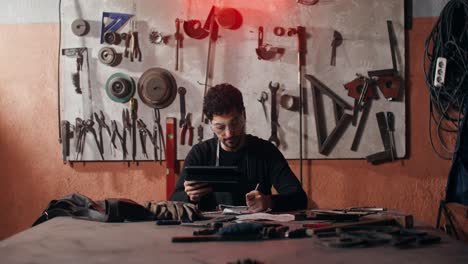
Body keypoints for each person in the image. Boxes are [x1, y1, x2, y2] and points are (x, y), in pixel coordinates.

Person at [170, 83, 308, 212]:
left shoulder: (266, 151)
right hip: (211, 233)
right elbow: (174, 201)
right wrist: (189, 197)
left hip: (257, 231)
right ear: (211, 124)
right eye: (220, 127)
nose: (229, 133)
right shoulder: (200, 153)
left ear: (244, 115)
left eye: (235, 123)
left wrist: (269, 202)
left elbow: (299, 199)